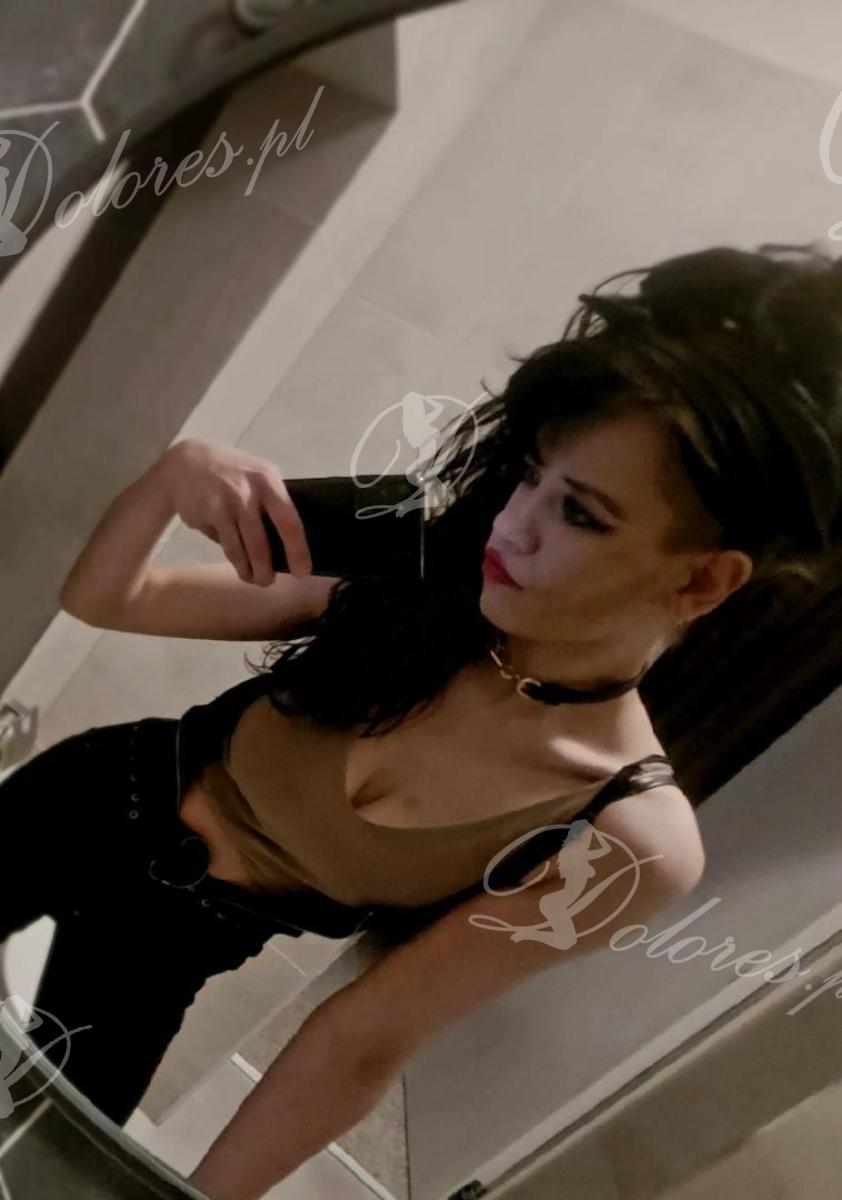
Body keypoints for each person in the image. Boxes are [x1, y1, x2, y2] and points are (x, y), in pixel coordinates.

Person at [3, 242, 840, 1200]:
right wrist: (173, 477)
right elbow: (112, 598)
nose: (513, 526)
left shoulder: (627, 835)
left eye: (580, 514)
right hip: (81, 796)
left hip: (157, 955)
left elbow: (364, 1040)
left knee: (50, 1176)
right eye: (530, 476)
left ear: (703, 580)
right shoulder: (422, 565)